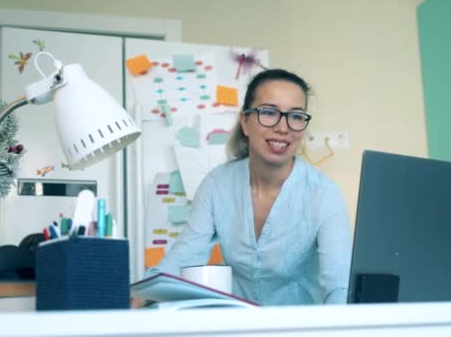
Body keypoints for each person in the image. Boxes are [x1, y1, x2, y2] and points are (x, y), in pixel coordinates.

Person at [142, 69, 352, 306]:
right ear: (245, 122)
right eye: (269, 112)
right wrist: (139, 296)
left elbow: (339, 284)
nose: (283, 128)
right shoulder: (217, 184)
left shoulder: (324, 194)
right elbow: (183, 258)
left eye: (295, 116)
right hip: (238, 327)